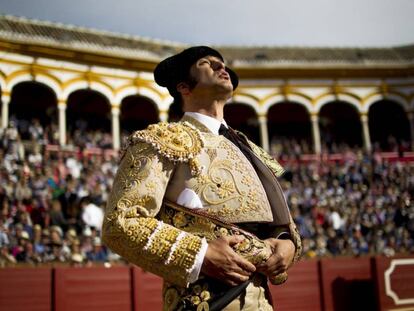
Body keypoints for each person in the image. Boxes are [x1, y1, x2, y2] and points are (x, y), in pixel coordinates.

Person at [102, 46, 302, 311]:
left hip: (262, 298)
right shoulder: (160, 139)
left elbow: (277, 222)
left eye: (223, 64)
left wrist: (287, 244)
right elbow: (121, 222)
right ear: (184, 87)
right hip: (206, 299)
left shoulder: (251, 149)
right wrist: (200, 254)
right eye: (207, 64)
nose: (222, 68)